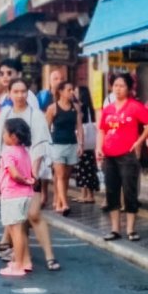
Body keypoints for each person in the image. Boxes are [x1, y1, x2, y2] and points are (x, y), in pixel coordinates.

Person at [0, 78, 61, 271]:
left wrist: (34, 175)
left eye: (23, 91)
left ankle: (50, 256)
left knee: (33, 214)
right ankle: (25, 260)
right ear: (9, 93)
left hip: (29, 173)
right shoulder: (5, 113)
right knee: (19, 219)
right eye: (16, 91)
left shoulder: (36, 115)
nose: (20, 95)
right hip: (10, 174)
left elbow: (40, 145)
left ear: (28, 93)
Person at [97, 73, 148, 241]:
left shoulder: (135, 106)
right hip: (109, 155)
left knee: (129, 190)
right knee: (111, 191)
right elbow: (102, 129)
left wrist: (139, 141)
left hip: (127, 155)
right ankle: (115, 229)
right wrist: (98, 148)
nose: (118, 89)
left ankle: (131, 229)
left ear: (129, 89)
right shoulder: (108, 108)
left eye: (122, 86)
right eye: (115, 85)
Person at [0, 118, 35, 277]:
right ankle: (24, 261)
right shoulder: (24, 151)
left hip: (13, 195)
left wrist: (24, 180)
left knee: (15, 231)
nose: (2, 135)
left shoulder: (8, 152)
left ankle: (18, 265)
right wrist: (29, 181)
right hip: (26, 195)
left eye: (4, 132)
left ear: (13, 137)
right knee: (20, 230)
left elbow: (14, 173)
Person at [45, 81, 83, 214]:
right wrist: (47, 146)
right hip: (57, 145)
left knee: (66, 176)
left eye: (72, 89)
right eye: (69, 89)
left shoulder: (76, 107)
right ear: (60, 92)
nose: (72, 92)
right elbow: (46, 128)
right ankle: (65, 204)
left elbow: (79, 126)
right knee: (60, 175)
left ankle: (60, 202)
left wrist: (81, 144)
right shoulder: (52, 108)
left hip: (72, 144)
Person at [73, 84, 100, 205]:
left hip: (84, 144)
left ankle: (89, 195)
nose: (74, 93)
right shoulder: (89, 107)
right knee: (84, 170)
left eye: (77, 91)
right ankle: (84, 194)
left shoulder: (82, 108)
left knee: (85, 170)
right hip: (89, 145)